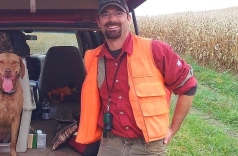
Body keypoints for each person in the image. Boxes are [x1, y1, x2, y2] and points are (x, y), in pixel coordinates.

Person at [75, 0, 198, 155]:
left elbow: (189, 86)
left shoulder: (155, 50)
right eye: (105, 14)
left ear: (128, 18)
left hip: (148, 146)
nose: (112, 19)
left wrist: (173, 129)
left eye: (118, 13)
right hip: (110, 143)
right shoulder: (93, 58)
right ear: (98, 21)